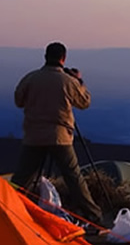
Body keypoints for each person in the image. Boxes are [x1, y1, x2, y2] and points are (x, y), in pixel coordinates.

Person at [12, 41, 103, 228]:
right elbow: (84, 102)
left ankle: (9, 209)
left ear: (46, 57)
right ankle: (93, 217)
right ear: (63, 58)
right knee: (73, 177)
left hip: (33, 136)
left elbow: (18, 100)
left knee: (21, 179)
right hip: (60, 137)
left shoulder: (30, 78)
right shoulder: (67, 81)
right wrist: (79, 81)